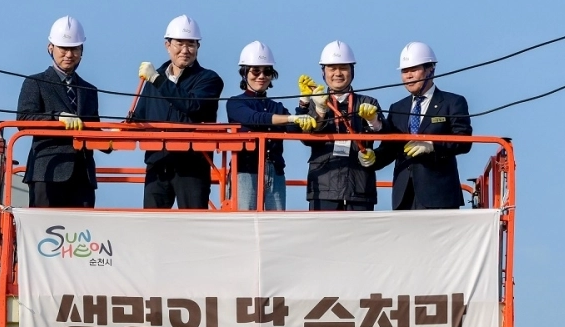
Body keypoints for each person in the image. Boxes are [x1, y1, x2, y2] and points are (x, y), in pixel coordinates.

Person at [132, 15, 225, 209]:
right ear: (167, 45)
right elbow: (140, 117)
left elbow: (192, 105)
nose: (185, 50)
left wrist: (157, 80)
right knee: (152, 227)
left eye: (191, 44)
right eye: (179, 44)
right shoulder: (153, 80)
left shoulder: (209, 79)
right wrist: (117, 134)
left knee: (192, 228)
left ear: (198, 47)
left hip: (192, 166)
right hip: (158, 164)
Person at [373, 41, 472, 209]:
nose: (408, 76)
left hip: (439, 195)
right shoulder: (397, 108)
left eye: (414, 70)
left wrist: (432, 146)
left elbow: (463, 141)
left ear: (430, 69)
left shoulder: (452, 102)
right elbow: (389, 149)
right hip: (404, 197)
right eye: (405, 71)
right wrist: (372, 158)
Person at [16, 16, 101, 208]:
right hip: (47, 171)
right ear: (50, 48)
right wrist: (57, 117)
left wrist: (111, 139)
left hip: (82, 176)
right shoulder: (35, 83)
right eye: (64, 48)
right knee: (44, 233)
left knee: (82, 235)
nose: (69, 54)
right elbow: (24, 119)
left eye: (74, 48)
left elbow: (94, 129)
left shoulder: (89, 90)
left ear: (81, 51)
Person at [225, 41, 317, 210]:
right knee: (244, 223)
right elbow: (255, 118)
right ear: (244, 73)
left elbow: (295, 129)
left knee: (276, 225)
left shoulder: (277, 107)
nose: (261, 76)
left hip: (275, 172)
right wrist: (291, 118)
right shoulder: (235, 103)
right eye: (255, 70)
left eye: (267, 71)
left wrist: (304, 104)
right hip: (245, 171)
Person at [297, 41, 384, 211]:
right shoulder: (314, 103)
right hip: (323, 187)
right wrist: (320, 111)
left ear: (352, 71)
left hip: (360, 187)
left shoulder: (368, 102)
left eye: (343, 68)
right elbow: (306, 138)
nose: (338, 73)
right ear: (323, 73)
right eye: (332, 68)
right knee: (323, 237)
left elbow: (383, 132)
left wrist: (373, 120)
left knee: (362, 237)